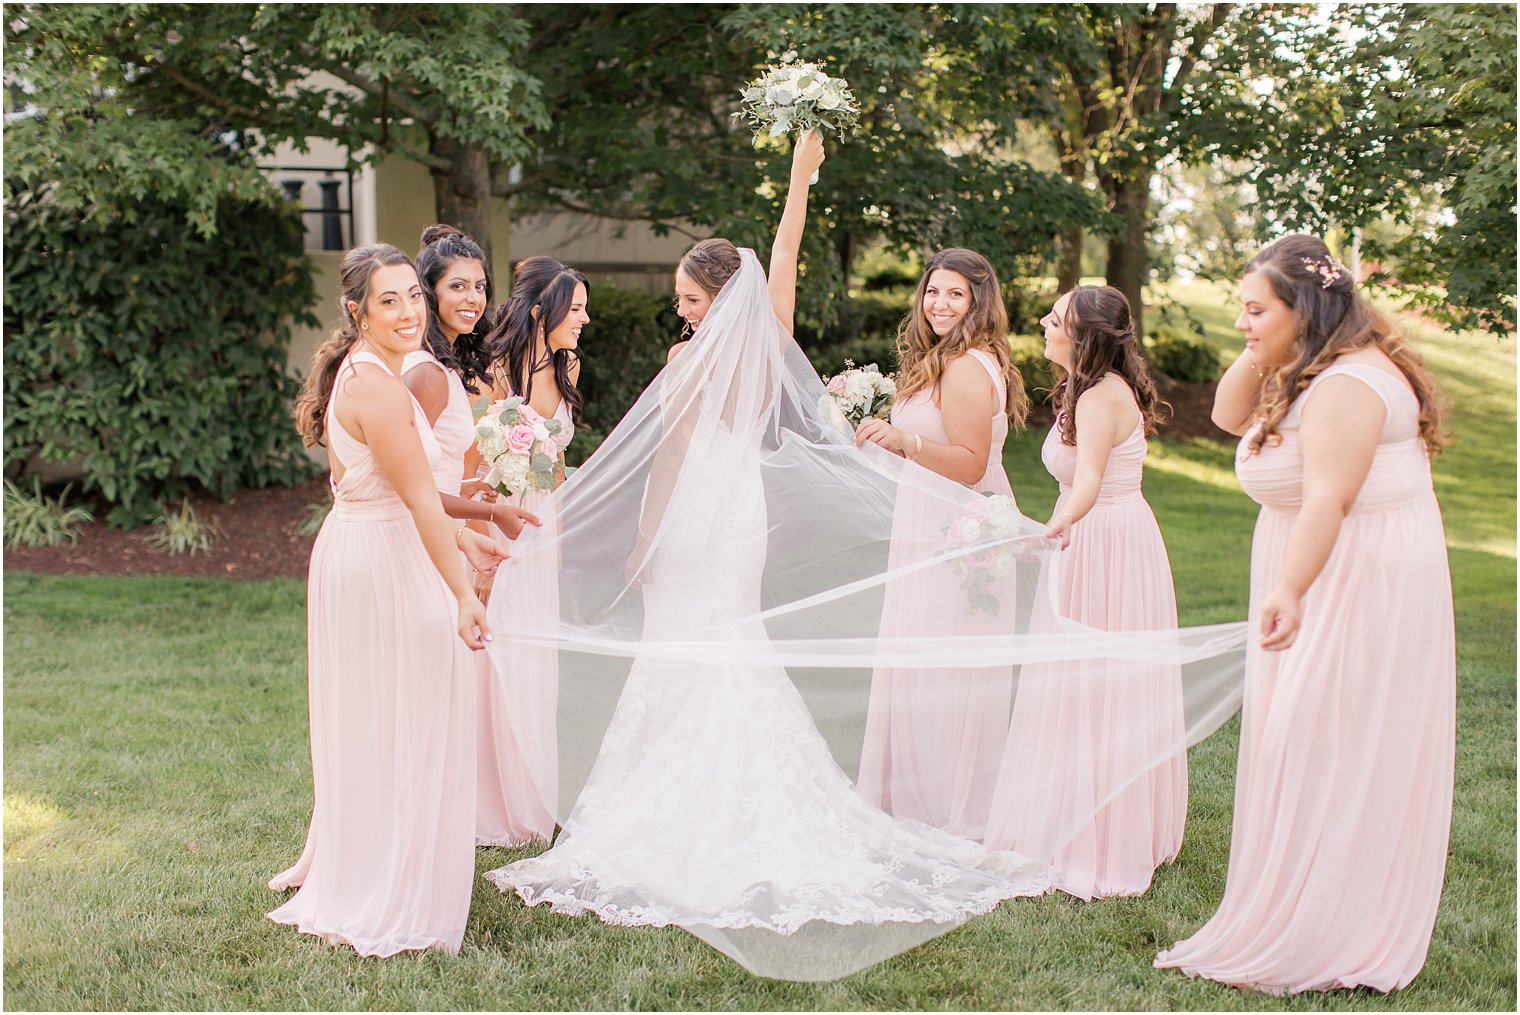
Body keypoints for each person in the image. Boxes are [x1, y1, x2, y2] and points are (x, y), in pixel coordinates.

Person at [1155, 233, 1455, 993]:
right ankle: (1308, 911)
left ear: (1307, 308)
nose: (1242, 324)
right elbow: (1227, 413)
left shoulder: (1351, 384)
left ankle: (1328, 930)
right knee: (1309, 745)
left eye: (1255, 309)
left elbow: (1332, 497)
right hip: (1323, 564)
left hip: (1351, 580)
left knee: (1325, 745)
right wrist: (1266, 340)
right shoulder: (1309, 369)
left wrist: (1289, 590)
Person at [270, 243, 508, 956]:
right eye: (389, 300)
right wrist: (464, 591)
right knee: (409, 717)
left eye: (412, 296)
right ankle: (389, 886)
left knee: (381, 717)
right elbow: (418, 504)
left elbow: (406, 490)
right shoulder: (377, 385)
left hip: (364, 549)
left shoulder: (366, 372)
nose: (408, 312)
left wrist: (475, 528)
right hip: (381, 562)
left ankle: (374, 865)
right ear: (358, 310)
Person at [982, 285, 1186, 900]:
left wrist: (1055, 528)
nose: (1044, 322)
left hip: (1104, 541)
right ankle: (1080, 815)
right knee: (1080, 681)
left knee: (1098, 683)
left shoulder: (1101, 396)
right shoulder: (1086, 389)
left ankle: (1103, 838)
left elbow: (1091, 478)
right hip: (1092, 532)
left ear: (1086, 336)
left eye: (1057, 318)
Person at [853, 248, 1031, 839]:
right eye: (933, 291)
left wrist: (905, 443)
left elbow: (972, 465)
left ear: (979, 300)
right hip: (929, 521)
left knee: (944, 663)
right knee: (921, 657)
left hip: (958, 533)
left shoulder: (965, 367)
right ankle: (913, 794)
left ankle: (943, 803)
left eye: (955, 293)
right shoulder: (940, 360)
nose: (940, 303)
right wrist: (884, 438)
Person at [472, 255, 589, 845]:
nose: (585, 320)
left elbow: (558, 458)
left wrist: (563, 531)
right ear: (543, 311)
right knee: (500, 654)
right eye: (578, 308)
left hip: (545, 525)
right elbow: (476, 461)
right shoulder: (496, 369)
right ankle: (491, 801)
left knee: (538, 660)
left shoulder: (567, 363)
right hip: (499, 522)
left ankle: (532, 797)